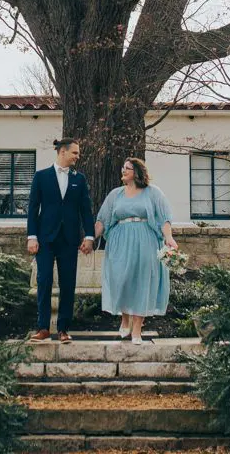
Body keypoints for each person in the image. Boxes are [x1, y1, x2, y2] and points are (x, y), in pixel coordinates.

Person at [95, 157, 178, 344]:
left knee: (141, 282)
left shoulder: (152, 193)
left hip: (145, 240)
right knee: (121, 279)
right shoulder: (115, 194)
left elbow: (164, 218)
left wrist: (169, 237)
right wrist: (90, 238)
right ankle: (124, 318)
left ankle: (137, 330)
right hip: (119, 241)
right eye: (123, 167)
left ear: (137, 172)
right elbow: (103, 219)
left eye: (128, 168)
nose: (123, 171)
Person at [26, 138, 95, 344]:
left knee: (68, 284)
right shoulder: (41, 177)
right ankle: (43, 328)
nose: (77, 156)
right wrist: (32, 236)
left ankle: (64, 329)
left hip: (69, 239)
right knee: (44, 280)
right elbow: (32, 208)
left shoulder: (79, 179)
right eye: (74, 152)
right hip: (45, 239)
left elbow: (86, 209)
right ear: (62, 152)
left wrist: (89, 236)